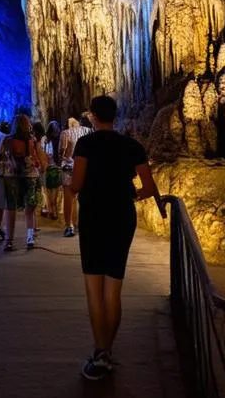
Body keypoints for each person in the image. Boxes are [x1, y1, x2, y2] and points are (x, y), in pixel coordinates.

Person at [70, 95, 165, 380]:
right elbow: (148, 186)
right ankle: (106, 351)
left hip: (94, 216)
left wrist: (73, 187)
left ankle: (101, 353)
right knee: (114, 287)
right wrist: (128, 195)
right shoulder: (131, 145)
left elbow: (76, 184)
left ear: (93, 117)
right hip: (123, 216)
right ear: (114, 116)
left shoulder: (85, 144)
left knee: (93, 287)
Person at [0, 114, 47, 251]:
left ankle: (9, 240)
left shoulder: (7, 140)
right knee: (30, 208)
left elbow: (3, 158)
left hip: (11, 176)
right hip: (30, 175)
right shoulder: (32, 140)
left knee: (10, 207)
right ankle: (30, 238)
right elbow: (38, 158)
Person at [59, 116, 87, 236]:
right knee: (84, 198)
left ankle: (69, 225)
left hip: (69, 168)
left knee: (69, 198)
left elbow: (63, 152)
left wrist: (63, 156)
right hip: (84, 168)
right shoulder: (87, 131)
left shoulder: (66, 133)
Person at [41, 120, 63, 219]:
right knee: (48, 190)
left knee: (56, 190)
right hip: (48, 167)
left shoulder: (59, 139)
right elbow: (42, 151)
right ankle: (51, 209)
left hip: (56, 167)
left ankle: (54, 209)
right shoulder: (45, 139)